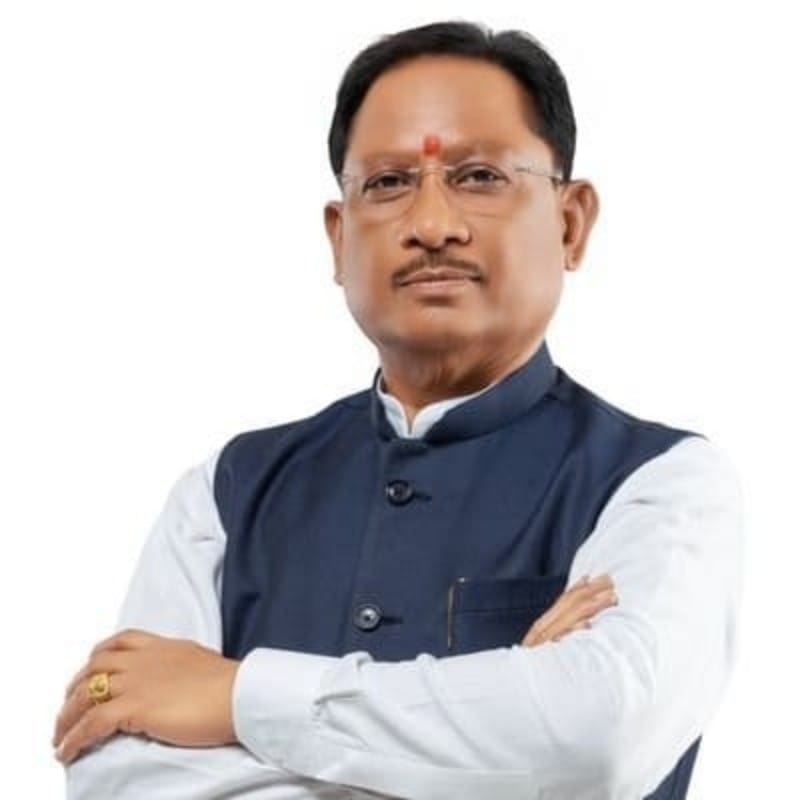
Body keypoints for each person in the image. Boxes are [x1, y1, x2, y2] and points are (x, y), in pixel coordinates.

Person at [51, 19, 744, 800]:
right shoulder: (228, 493)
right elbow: (116, 773)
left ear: (569, 223)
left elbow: (600, 739)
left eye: (479, 176)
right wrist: (501, 736)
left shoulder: (664, 486)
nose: (432, 225)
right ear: (338, 237)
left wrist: (235, 696)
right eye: (387, 183)